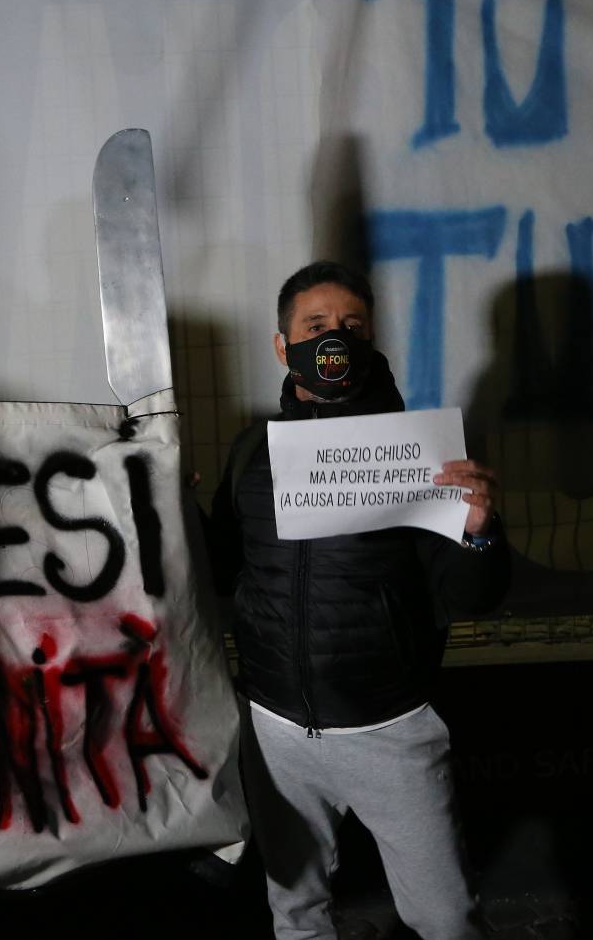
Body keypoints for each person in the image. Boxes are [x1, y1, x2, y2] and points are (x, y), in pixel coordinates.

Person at [211, 261, 509, 940]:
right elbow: (226, 569)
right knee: (296, 912)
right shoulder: (250, 453)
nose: (333, 340)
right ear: (283, 347)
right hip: (276, 728)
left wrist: (481, 534)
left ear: (372, 342)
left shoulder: (423, 453)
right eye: (315, 327)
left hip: (388, 729)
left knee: (443, 918)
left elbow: (470, 597)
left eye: (351, 327)